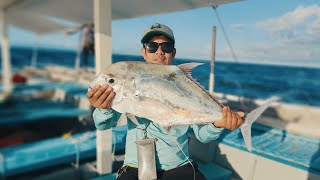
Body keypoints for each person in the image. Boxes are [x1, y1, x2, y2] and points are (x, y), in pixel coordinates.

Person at [87, 23, 244, 180]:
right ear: (144, 52)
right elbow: (103, 124)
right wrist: (104, 108)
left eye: (166, 46)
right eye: (152, 46)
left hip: (178, 166)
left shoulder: (183, 84)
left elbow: (203, 136)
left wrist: (218, 124)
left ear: (173, 52)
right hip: (135, 166)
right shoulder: (129, 82)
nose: (159, 52)